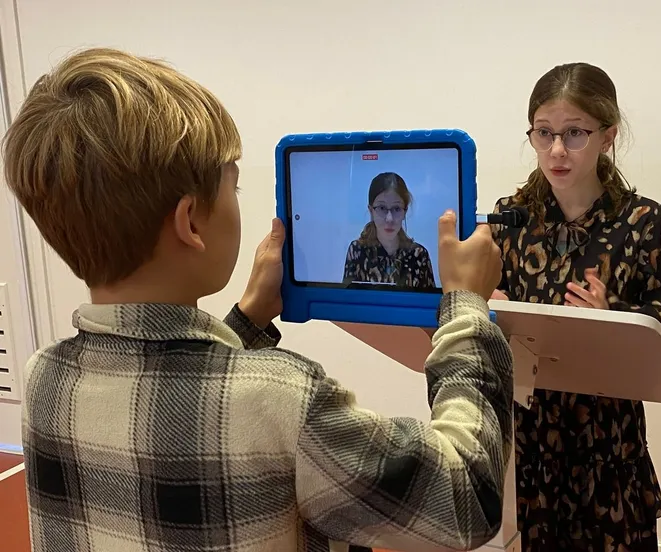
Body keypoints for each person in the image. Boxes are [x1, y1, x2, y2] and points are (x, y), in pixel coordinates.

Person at [3, 47, 513, 552]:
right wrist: (466, 306)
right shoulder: (284, 398)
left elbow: (182, 408)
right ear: (192, 222)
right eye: (234, 188)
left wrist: (246, 321)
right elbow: (465, 497)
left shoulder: (45, 376)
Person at [491, 62, 661, 551]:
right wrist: (485, 305)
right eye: (544, 134)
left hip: (606, 436)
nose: (557, 150)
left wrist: (616, 316)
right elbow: (480, 302)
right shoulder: (509, 219)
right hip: (530, 432)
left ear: (608, 136)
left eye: (574, 133)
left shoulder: (644, 221)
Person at [343, 171, 436, 289]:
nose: (389, 219)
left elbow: (427, 305)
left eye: (396, 208)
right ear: (371, 210)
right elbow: (348, 302)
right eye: (382, 208)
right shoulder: (357, 250)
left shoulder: (419, 255)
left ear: (405, 211)